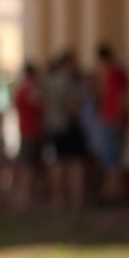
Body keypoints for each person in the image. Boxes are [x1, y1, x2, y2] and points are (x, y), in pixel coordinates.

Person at [42, 50, 89, 212]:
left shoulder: (49, 81)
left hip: (54, 127)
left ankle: (59, 199)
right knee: (75, 165)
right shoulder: (68, 80)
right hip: (68, 126)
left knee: (58, 165)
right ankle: (77, 201)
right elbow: (74, 104)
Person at [96, 42, 129, 204]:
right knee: (111, 156)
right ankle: (116, 190)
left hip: (113, 120)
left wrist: (116, 117)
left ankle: (113, 193)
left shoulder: (115, 72)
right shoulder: (111, 72)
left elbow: (120, 96)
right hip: (109, 118)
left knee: (113, 157)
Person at [12, 62, 46, 208]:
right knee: (29, 166)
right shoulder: (29, 89)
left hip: (28, 131)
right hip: (31, 131)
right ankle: (28, 196)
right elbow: (42, 104)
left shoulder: (22, 89)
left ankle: (29, 196)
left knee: (29, 165)